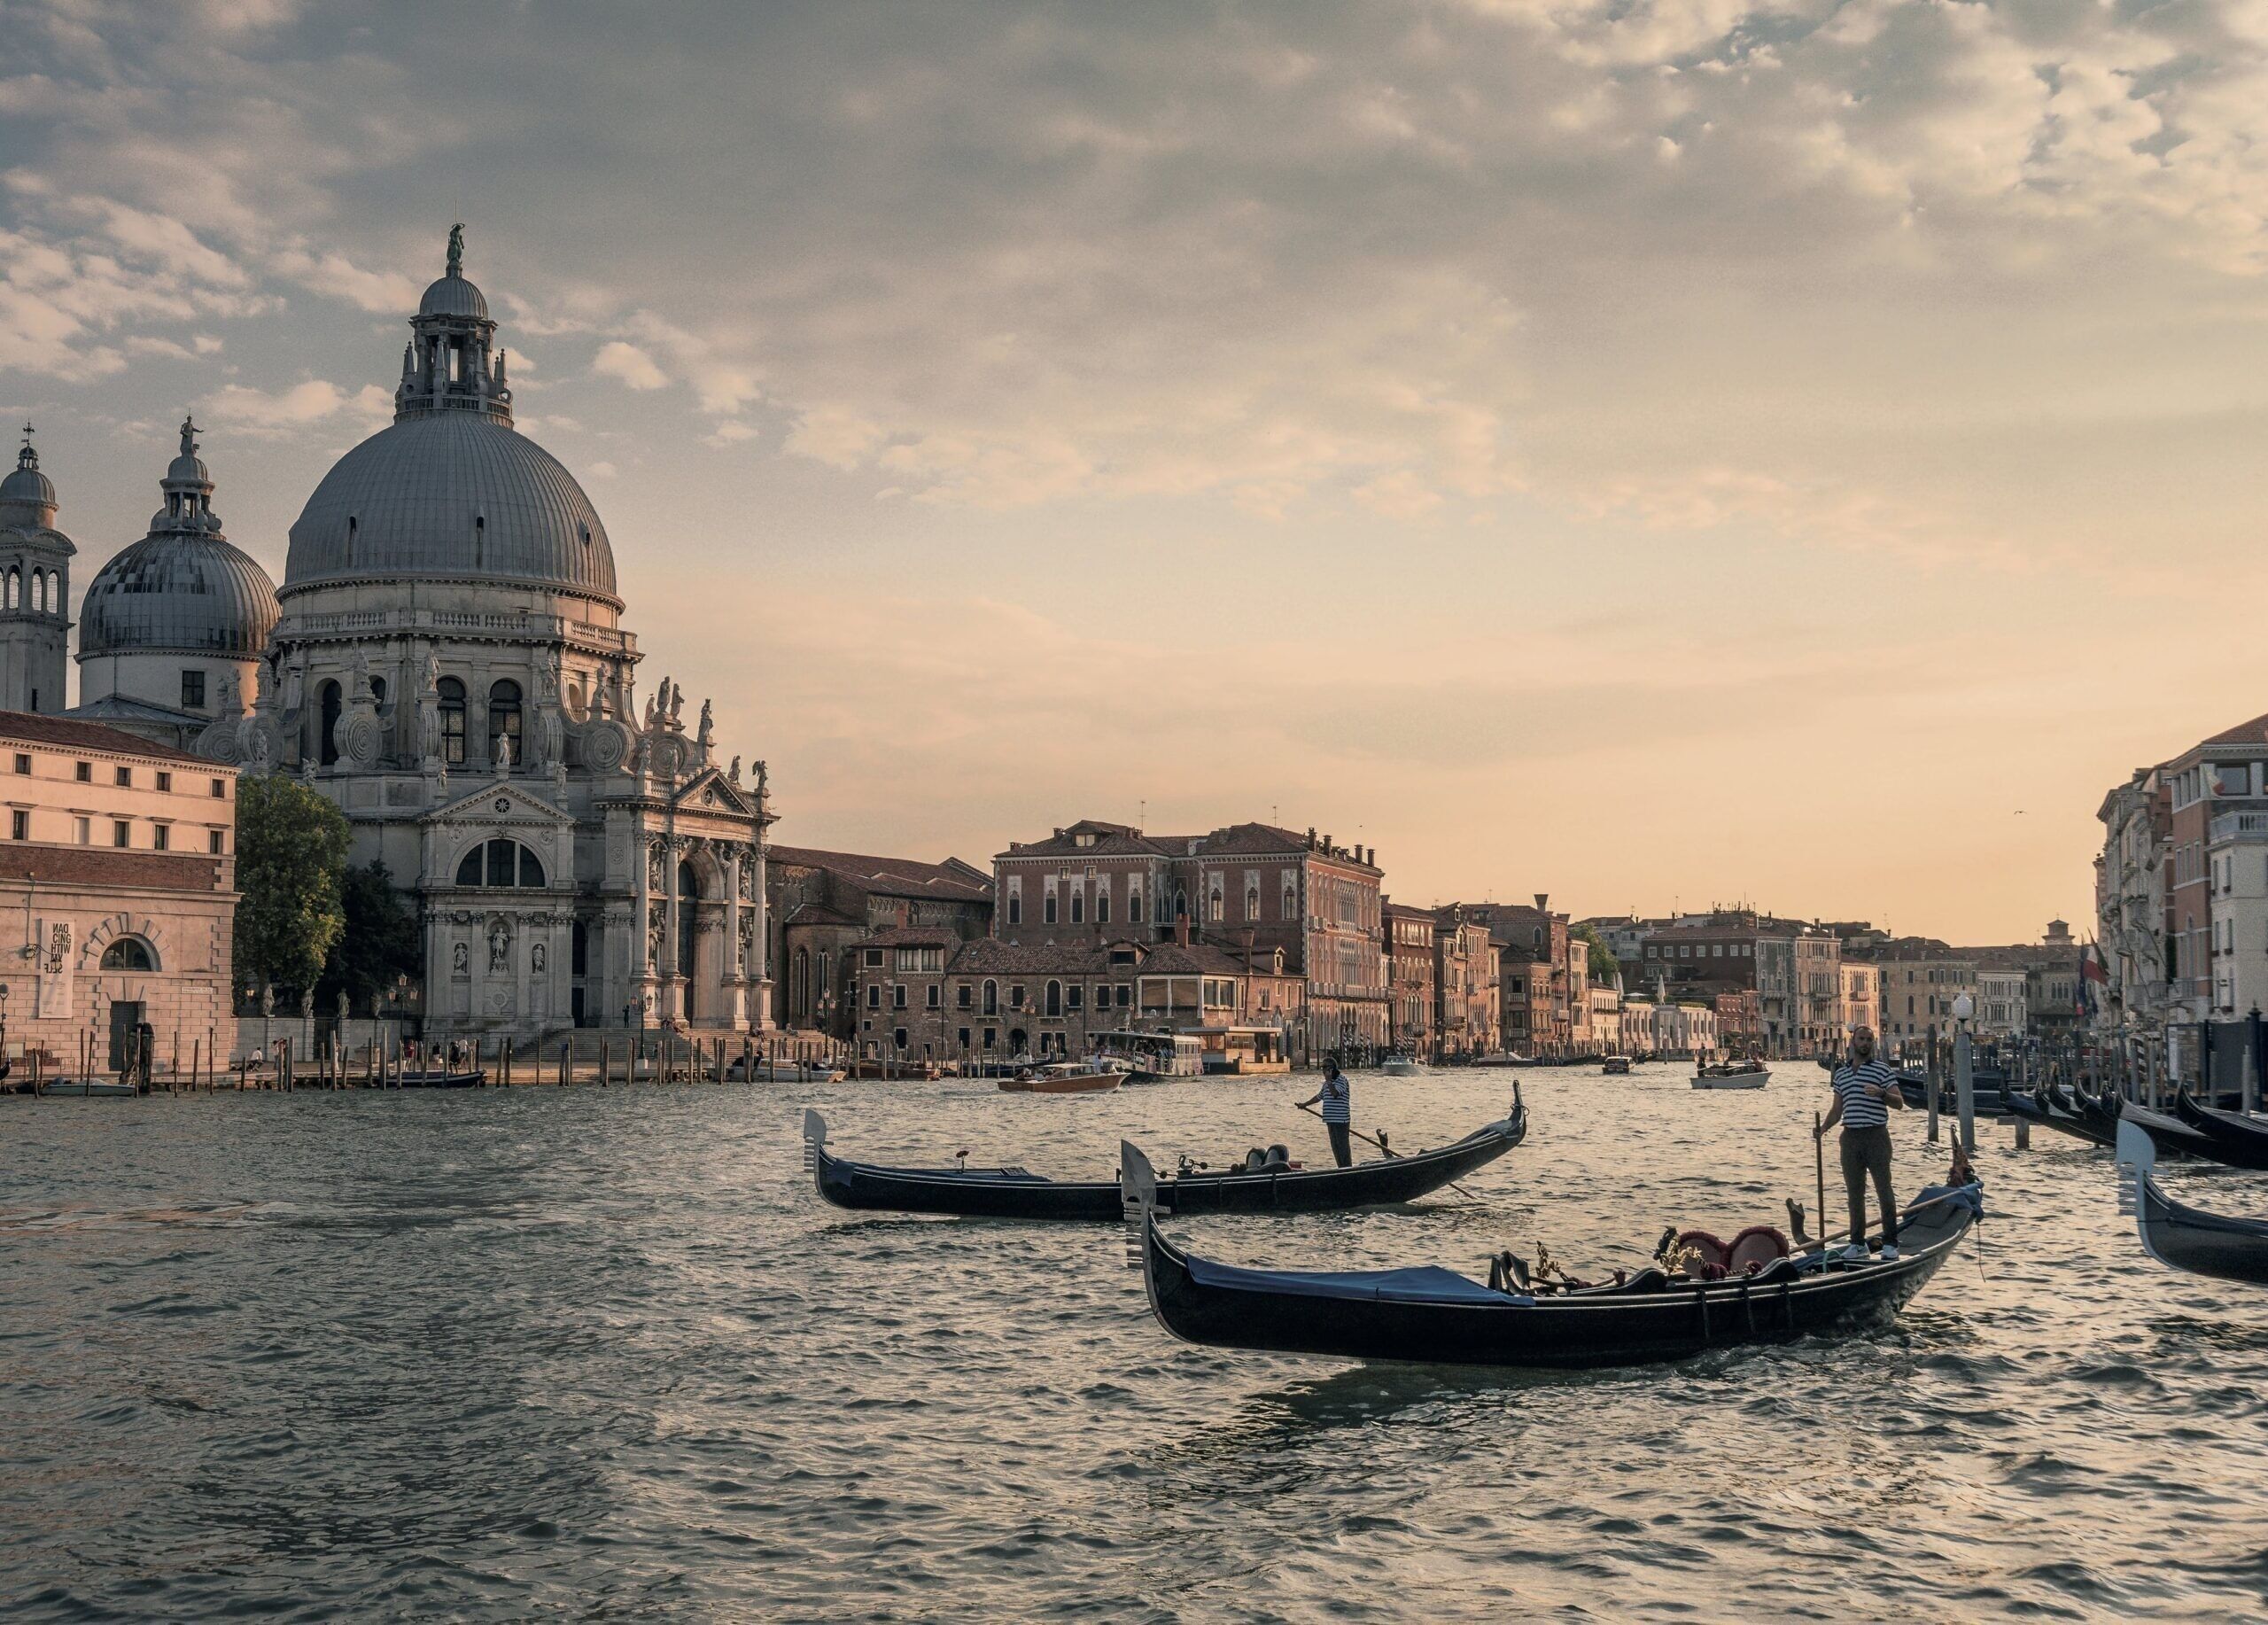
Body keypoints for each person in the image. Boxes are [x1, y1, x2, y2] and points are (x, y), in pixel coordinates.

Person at [1815, 1025, 1905, 1261]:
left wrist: (1882, 1094)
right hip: (1850, 1138)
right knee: (1854, 1193)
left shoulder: (1882, 1071)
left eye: (1869, 1040)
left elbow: (1899, 1103)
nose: (1865, 1043)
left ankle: (1891, 1243)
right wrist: (1823, 1128)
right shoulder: (1842, 1075)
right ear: (1853, 1042)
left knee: (1883, 1190)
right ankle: (1857, 1243)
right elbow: (1837, 1110)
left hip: (1876, 1136)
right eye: (1861, 1039)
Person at [1300, 1055, 1355, 1168]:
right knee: (1335, 1147)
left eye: (1324, 1067)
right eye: (1322, 1068)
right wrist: (1304, 1104)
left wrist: (1329, 1082)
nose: (1323, 1070)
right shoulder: (1326, 1084)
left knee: (1342, 1147)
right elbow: (1318, 1097)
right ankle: (1341, 1168)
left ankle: (1347, 1168)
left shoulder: (1341, 1080)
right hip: (1330, 1121)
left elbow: (1335, 1094)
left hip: (1341, 1121)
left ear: (1331, 1069)